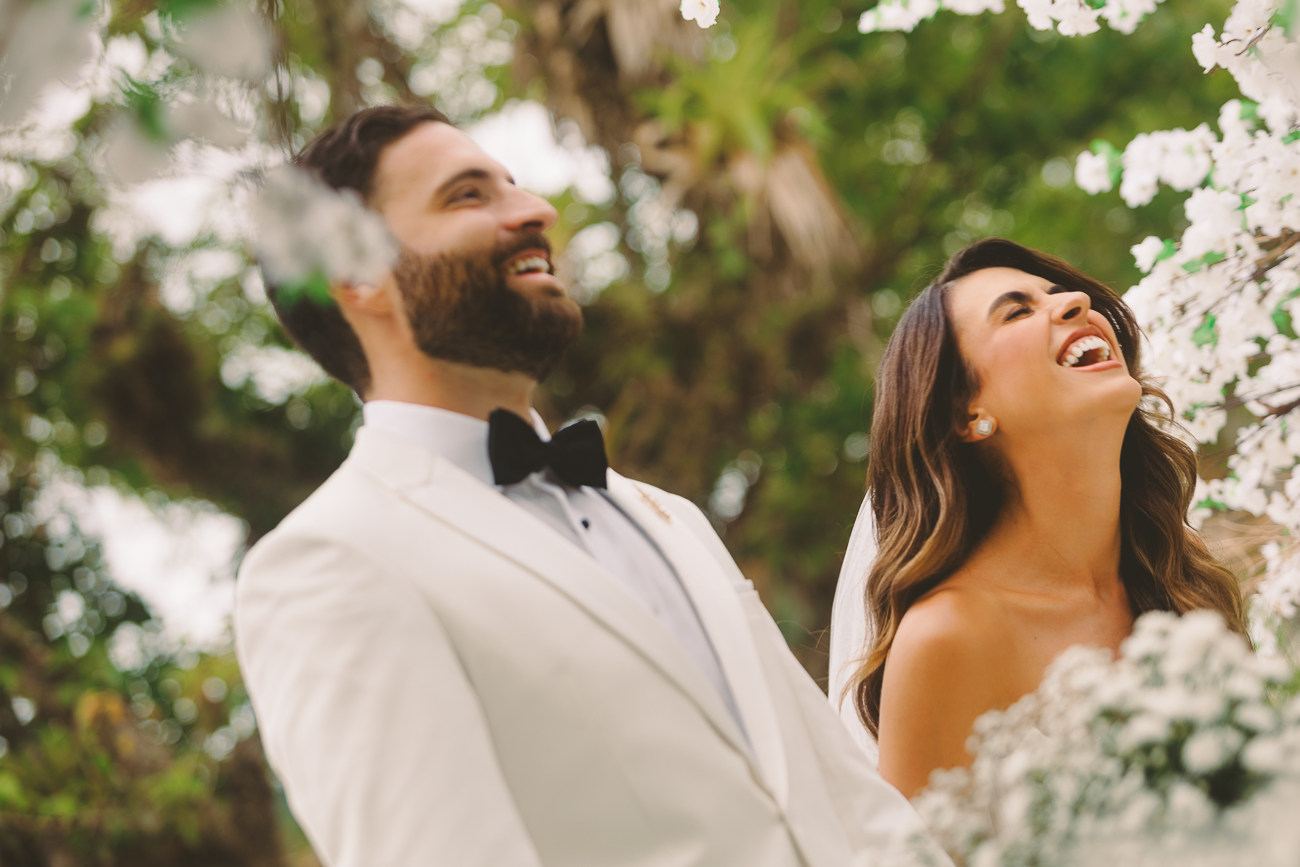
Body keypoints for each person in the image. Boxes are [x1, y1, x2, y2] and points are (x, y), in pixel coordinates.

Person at [234, 103, 951, 867]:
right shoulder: (332, 563)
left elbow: (850, 799)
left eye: (515, 184)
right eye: (468, 196)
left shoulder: (668, 515)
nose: (536, 210)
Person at [826, 238, 1246, 798]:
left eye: (1060, 293)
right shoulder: (948, 638)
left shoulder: (1181, 572)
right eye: (1016, 312)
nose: (1076, 301)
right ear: (966, 412)